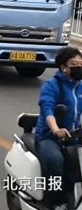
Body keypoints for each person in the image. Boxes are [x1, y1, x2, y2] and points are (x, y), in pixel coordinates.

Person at [35, 46, 82, 209]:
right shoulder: (51, 85)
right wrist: (56, 130)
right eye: (74, 64)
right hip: (49, 137)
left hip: (74, 136)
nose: (79, 67)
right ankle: (56, 201)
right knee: (55, 160)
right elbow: (47, 110)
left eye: (81, 64)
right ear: (64, 67)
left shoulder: (80, 86)